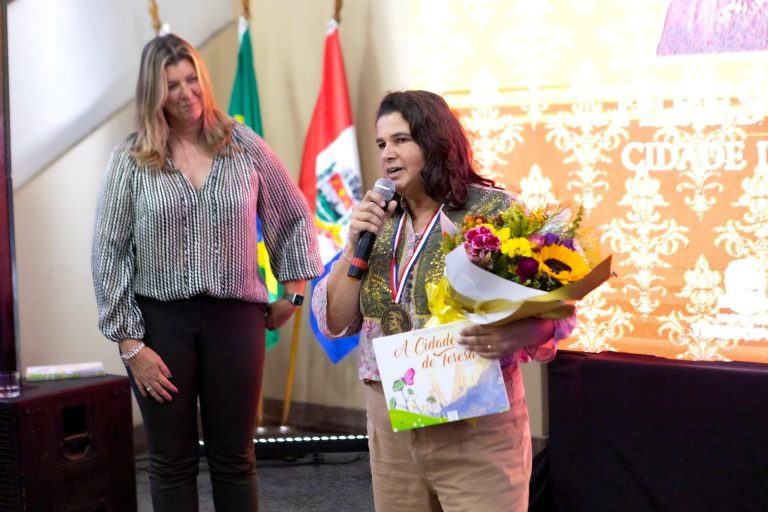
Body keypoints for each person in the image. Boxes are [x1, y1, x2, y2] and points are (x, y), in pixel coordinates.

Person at [311, 90, 576, 511]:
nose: (387, 154)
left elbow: (557, 312)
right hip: (391, 423)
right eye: (382, 143)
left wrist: (515, 336)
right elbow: (335, 320)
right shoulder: (377, 221)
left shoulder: (494, 213)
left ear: (435, 141)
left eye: (401, 140)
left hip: (473, 422)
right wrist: (351, 249)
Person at [91, 34, 322, 512]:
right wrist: (130, 346)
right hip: (159, 327)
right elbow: (108, 251)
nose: (186, 93)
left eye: (191, 78)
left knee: (235, 458)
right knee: (170, 460)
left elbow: (293, 214)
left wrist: (293, 294)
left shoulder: (242, 144)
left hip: (236, 322)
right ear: (154, 93)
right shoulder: (130, 159)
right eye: (171, 84)